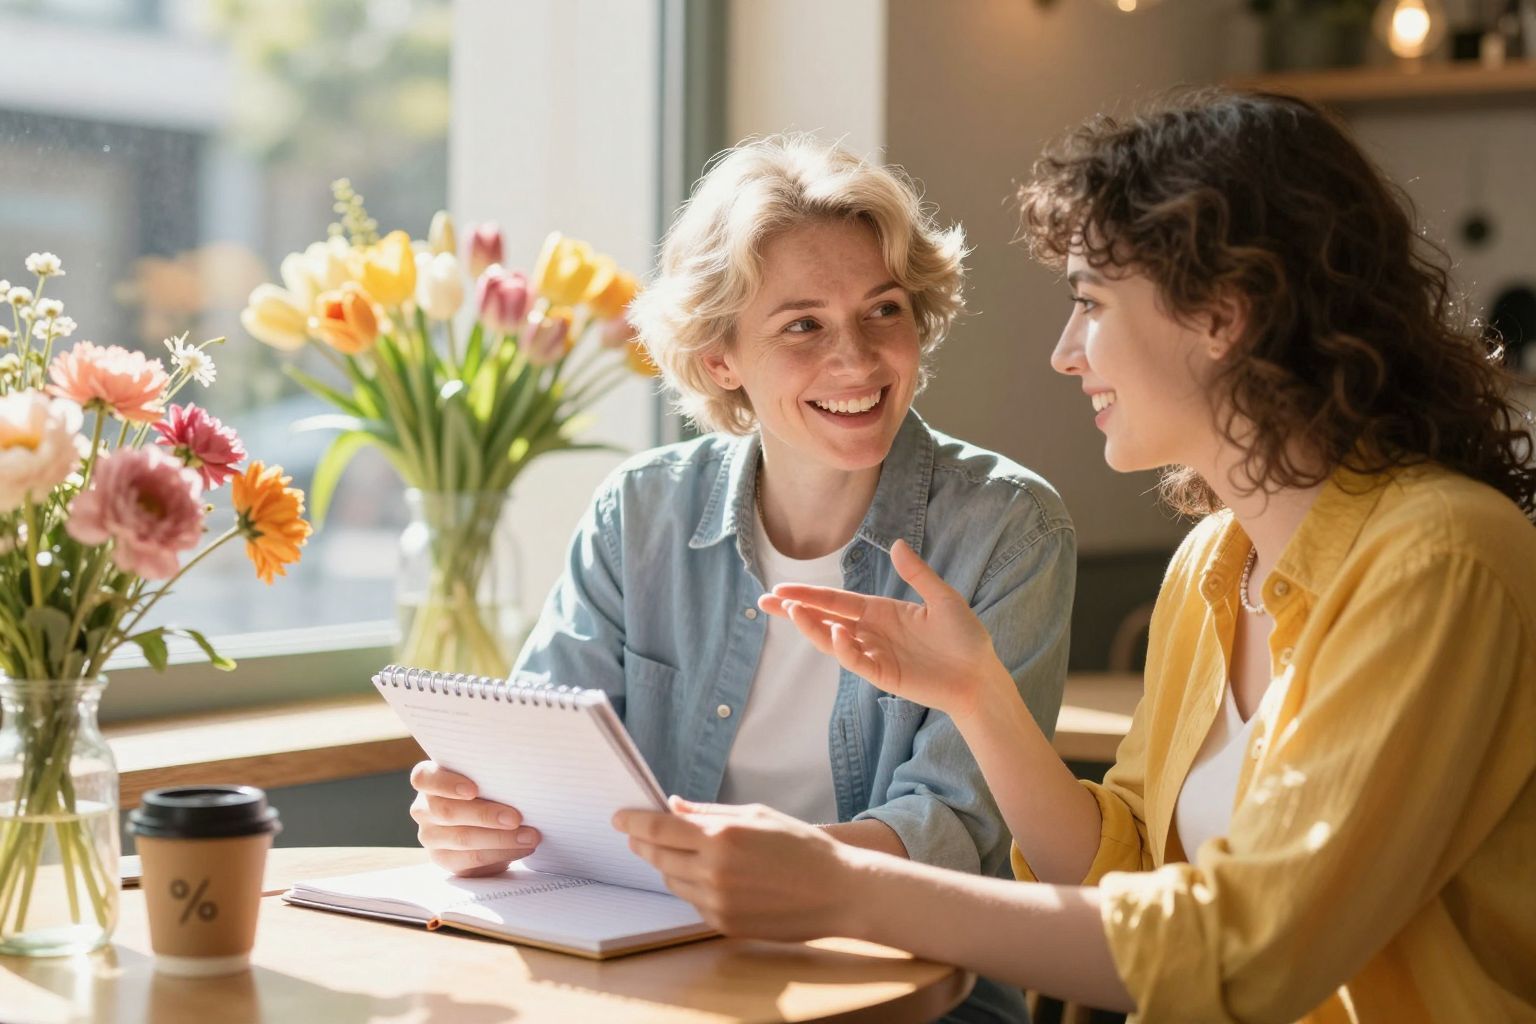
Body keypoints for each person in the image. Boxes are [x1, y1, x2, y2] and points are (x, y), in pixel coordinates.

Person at [616, 90, 1536, 1022]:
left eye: (1089, 302)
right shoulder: (1215, 565)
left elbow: (1253, 952)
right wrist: (979, 695)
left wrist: (848, 887)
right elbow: (1121, 870)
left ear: (1223, 313)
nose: (1064, 352)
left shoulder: (1441, 559)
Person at [409, 135, 1076, 1023]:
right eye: (804, 325)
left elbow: (957, 830)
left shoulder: (1008, 528)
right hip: (653, 980)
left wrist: (775, 876)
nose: (860, 359)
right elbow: (543, 769)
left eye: (885, 310)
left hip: (910, 995)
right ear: (721, 357)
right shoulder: (637, 514)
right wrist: (483, 823)